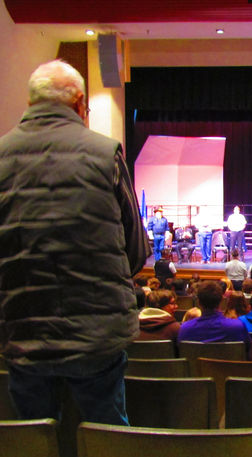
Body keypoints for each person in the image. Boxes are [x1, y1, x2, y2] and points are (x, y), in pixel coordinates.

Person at [0, 60, 150, 425]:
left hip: (22, 330)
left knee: (34, 436)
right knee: (107, 434)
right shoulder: (104, 153)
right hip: (96, 335)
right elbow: (135, 250)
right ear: (80, 102)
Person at [177, 280, 251, 345]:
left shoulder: (185, 329)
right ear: (221, 301)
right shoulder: (238, 326)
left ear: (198, 302)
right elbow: (248, 352)